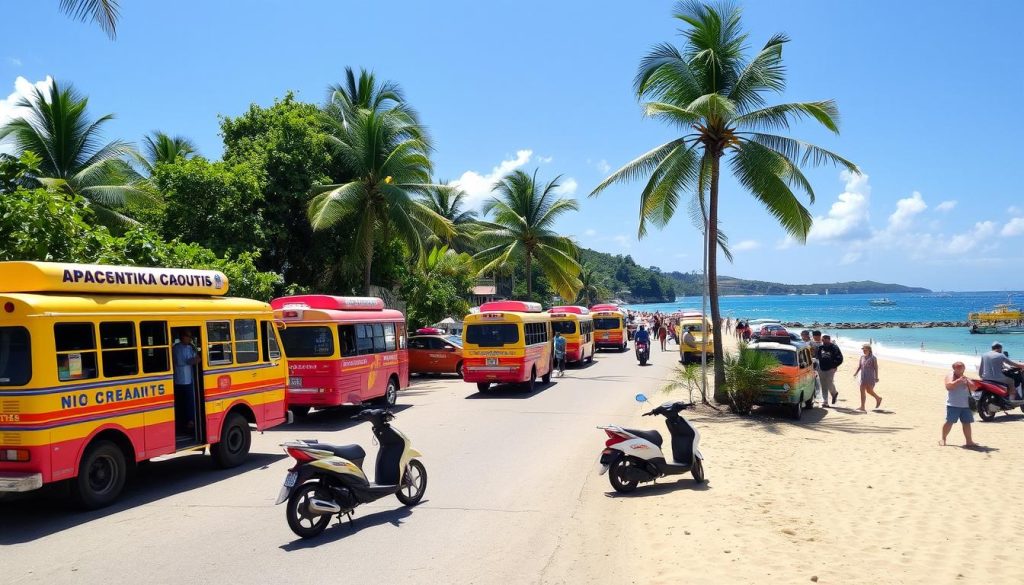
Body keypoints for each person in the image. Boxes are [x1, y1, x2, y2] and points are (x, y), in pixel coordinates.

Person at [942, 361, 978, 447]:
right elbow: (948, 386)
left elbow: (974, 388)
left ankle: (969, 441)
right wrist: (958, 381)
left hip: (966, 405)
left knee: (967, 423)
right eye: (958, 367)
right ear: (954, 368)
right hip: (953, 404)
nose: (960, 368)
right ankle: (943, 439)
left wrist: (967, 382)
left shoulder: (966, 378)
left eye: (962, 367)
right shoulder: (950, 376)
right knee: (949, 422)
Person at [173, 330, 200, 433]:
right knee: (183, 403)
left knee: (190, 401)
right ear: (181, 337)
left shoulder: (190, 347)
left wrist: (194, 359)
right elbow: (183, 361)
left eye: (190, 336)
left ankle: (191, 421)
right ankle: (184, 423)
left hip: (189, 379)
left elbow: (195, 358)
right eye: (187, 336)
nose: (189, 338)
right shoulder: (177, 348)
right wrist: (194, 360)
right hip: (180, 380)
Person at [816, 334, 843, 406]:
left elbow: (840, 358)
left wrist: (834, 366)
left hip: (831, 368)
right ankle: (825, 401)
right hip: (821, 368)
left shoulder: (834, 347)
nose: (822, 340)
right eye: (822, 339)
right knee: (823, 384)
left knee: (829, 383)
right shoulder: (820, 347)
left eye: (823, 339)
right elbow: (818, 357)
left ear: (828, 339)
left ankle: (834, 393)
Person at [853, 344, 882, 411]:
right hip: (863, 376)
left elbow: (876, 368)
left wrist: (876, 377)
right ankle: (862, 407)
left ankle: (878, 398)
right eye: (863, 349)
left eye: (865, 349)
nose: (863, 350)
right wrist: (856, 373)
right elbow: (860, 366)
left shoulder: (873, 358)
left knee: (869, 391)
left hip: (870, 377)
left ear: (869, 350)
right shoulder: (862, 357)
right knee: (862, 390)